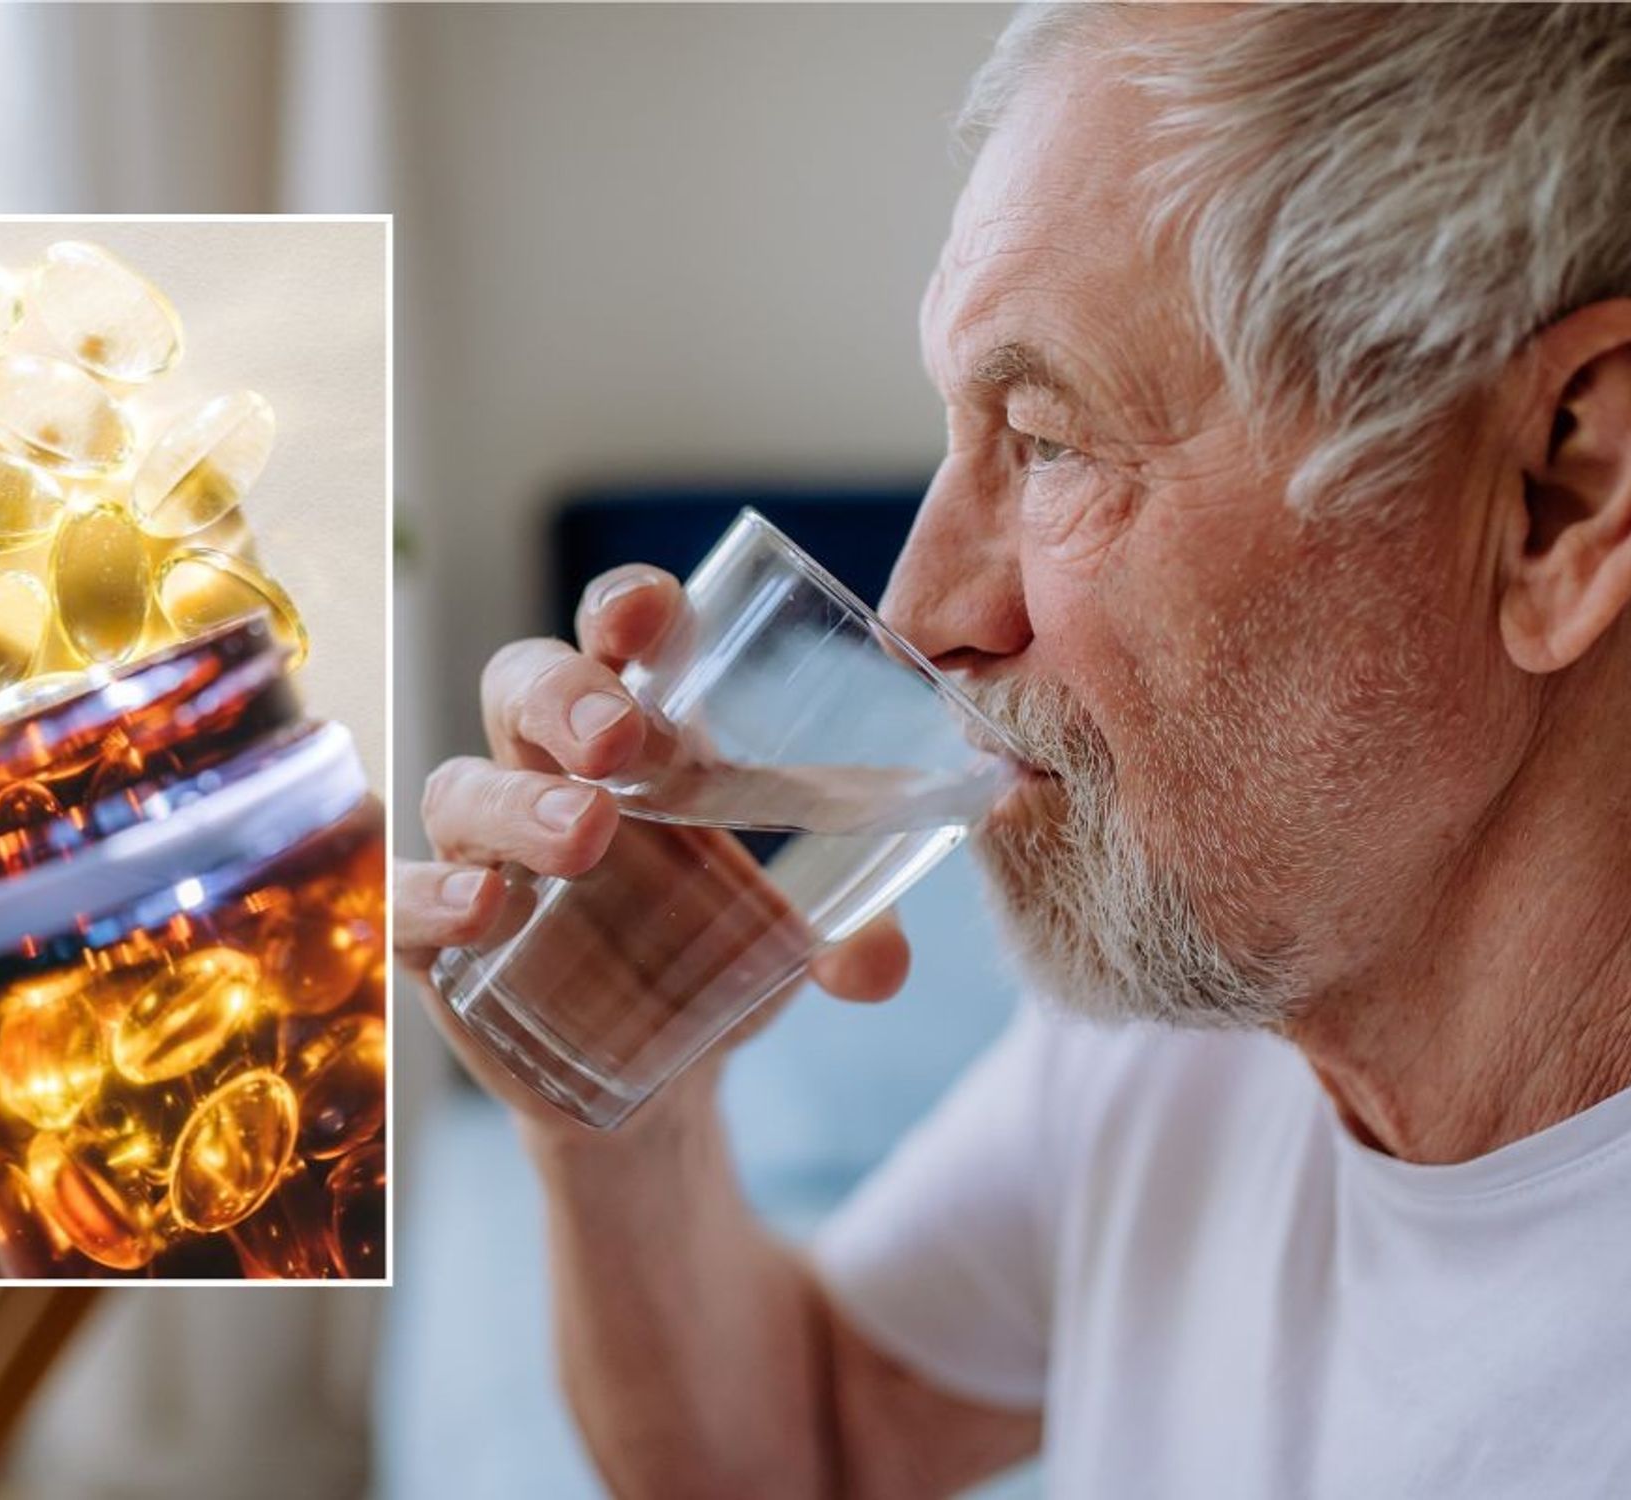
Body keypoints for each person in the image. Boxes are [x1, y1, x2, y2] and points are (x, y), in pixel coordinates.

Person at [396, 5, 1631, 1495]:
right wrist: (625, 1134)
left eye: (1048, 444)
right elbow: (813, 1439)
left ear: (1559, 495)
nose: (921, 614)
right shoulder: (1204, 1017)